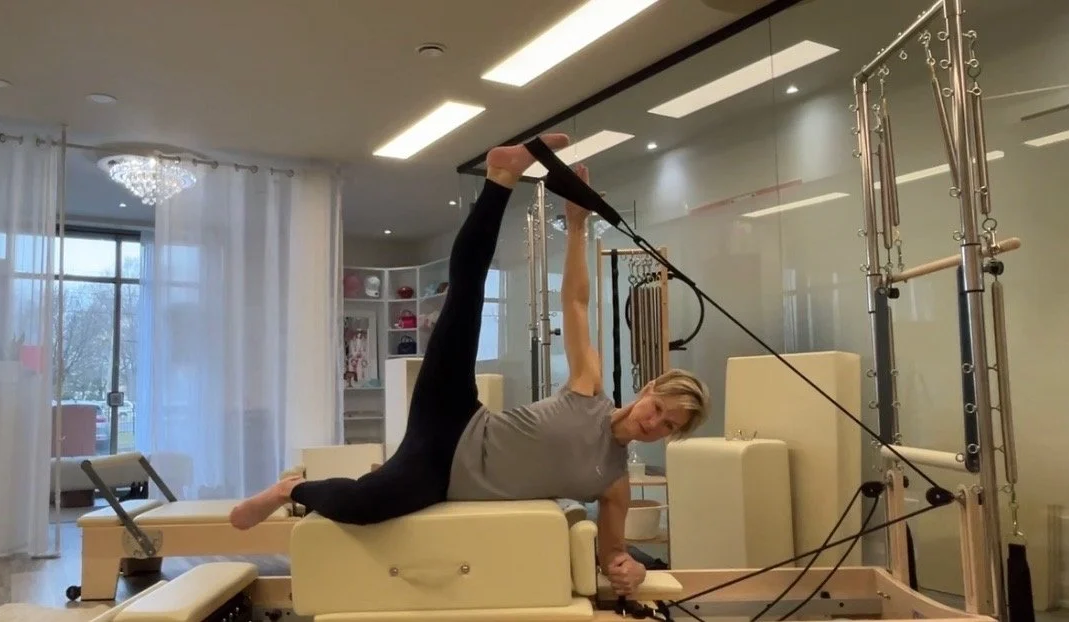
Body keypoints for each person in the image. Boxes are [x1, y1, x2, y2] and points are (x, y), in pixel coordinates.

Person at [229, 135, 711, 596]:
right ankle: (501, 176)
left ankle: (289, 490)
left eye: (668, 426)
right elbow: (577, 303)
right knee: (467, 295)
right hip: (454, 416)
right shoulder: (589, 386)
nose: (654, 423)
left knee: (364, 504)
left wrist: (627, 569)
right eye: (659, 408)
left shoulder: (614, 482)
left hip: (438, 475)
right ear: (648, 389)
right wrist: (578, 227)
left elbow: (614, 552)